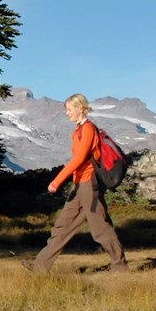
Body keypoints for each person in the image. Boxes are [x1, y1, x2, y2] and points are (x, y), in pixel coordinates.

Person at [23, 93, 127, 273]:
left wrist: (56, 181)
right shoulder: (78, 130)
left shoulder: (88, 129)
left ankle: (120, 266)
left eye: (69, 109)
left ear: (80, 109)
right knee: (62, 226)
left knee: (100, 228)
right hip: (79, 184)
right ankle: (40, 266)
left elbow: (79, 159)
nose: (67, 113)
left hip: (90, 185)